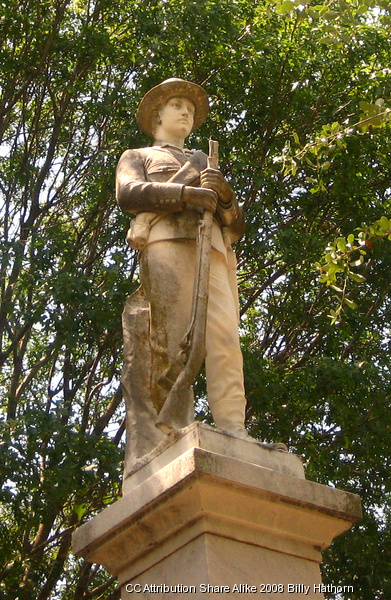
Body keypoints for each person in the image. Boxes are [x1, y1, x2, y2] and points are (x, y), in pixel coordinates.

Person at [116, 79, 285, 471]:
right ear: (157, 115)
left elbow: (236, 224)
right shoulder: (137, 154)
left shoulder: (204, 160)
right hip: (167, 242)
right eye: (176, 104)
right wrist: (184, 195)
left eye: (190, 108)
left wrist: (223, 195)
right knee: (171, 338)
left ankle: (233, 427)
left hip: (213, 248)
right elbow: (128, 193)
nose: (185, 112)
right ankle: (171, 428)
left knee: (225, 338)